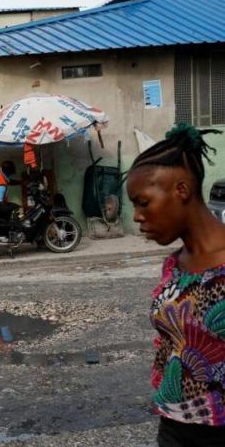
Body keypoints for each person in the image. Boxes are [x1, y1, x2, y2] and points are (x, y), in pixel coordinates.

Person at [126, 124, 225, 446]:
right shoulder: (174, 264)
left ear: (180, 190)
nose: (138, 216)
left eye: (143, 202)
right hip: (175, 427)